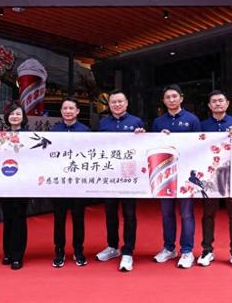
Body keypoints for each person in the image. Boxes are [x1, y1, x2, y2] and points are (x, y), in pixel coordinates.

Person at [197, 90, 232, 271]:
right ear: (209, 105)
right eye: (214, 101)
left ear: (227, 103)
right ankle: (207, 251)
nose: (218, 104)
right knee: (208, 215)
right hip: (209, 178)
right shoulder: (203, 125)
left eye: (221, 100)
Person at [151, 84, 201, 269]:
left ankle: (187, 250)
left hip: (186, 174)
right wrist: (160, 138)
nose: (171, 100)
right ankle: (169, 248)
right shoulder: (158, 122)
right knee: (166, 213)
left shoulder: (192, 120)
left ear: (181, 98)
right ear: (163, 101)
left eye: (174, 96)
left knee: (186, 214)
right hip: (165, 174)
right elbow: (152, 147)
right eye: (167, 97)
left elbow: (200, 145)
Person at [96, 89, 145, 272]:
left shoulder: (136, 122)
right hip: (109, 175)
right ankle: (112, 246)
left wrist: (143, 135)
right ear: (109, 105)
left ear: (126, 103)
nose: (117, 104)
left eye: (120, 101)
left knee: (129, 214)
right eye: (113, 102)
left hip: (129, 175)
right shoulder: (103, 123)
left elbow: (144, 147)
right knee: (110, 212)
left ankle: (128, 251)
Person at [49, 97, 90, 268]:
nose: (68, 111)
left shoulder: (85, 131)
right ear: (61, 111)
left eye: (71, 108)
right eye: (65, 108)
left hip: (78, 183)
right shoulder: (54, 131)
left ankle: (78, 250)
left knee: (78, 219)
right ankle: (59, 251)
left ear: (77, 111)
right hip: (59, 183)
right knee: (59, 219)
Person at [0, 102, 29, 270]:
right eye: (12, 114)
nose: (15, 116)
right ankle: (8, 252)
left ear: (23, 117)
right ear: (7, 117)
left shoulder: (30, 136)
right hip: (4, 183)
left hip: (22, 183)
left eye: (18, 114)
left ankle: (18, 255)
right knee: (7, 217)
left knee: (19, 217)